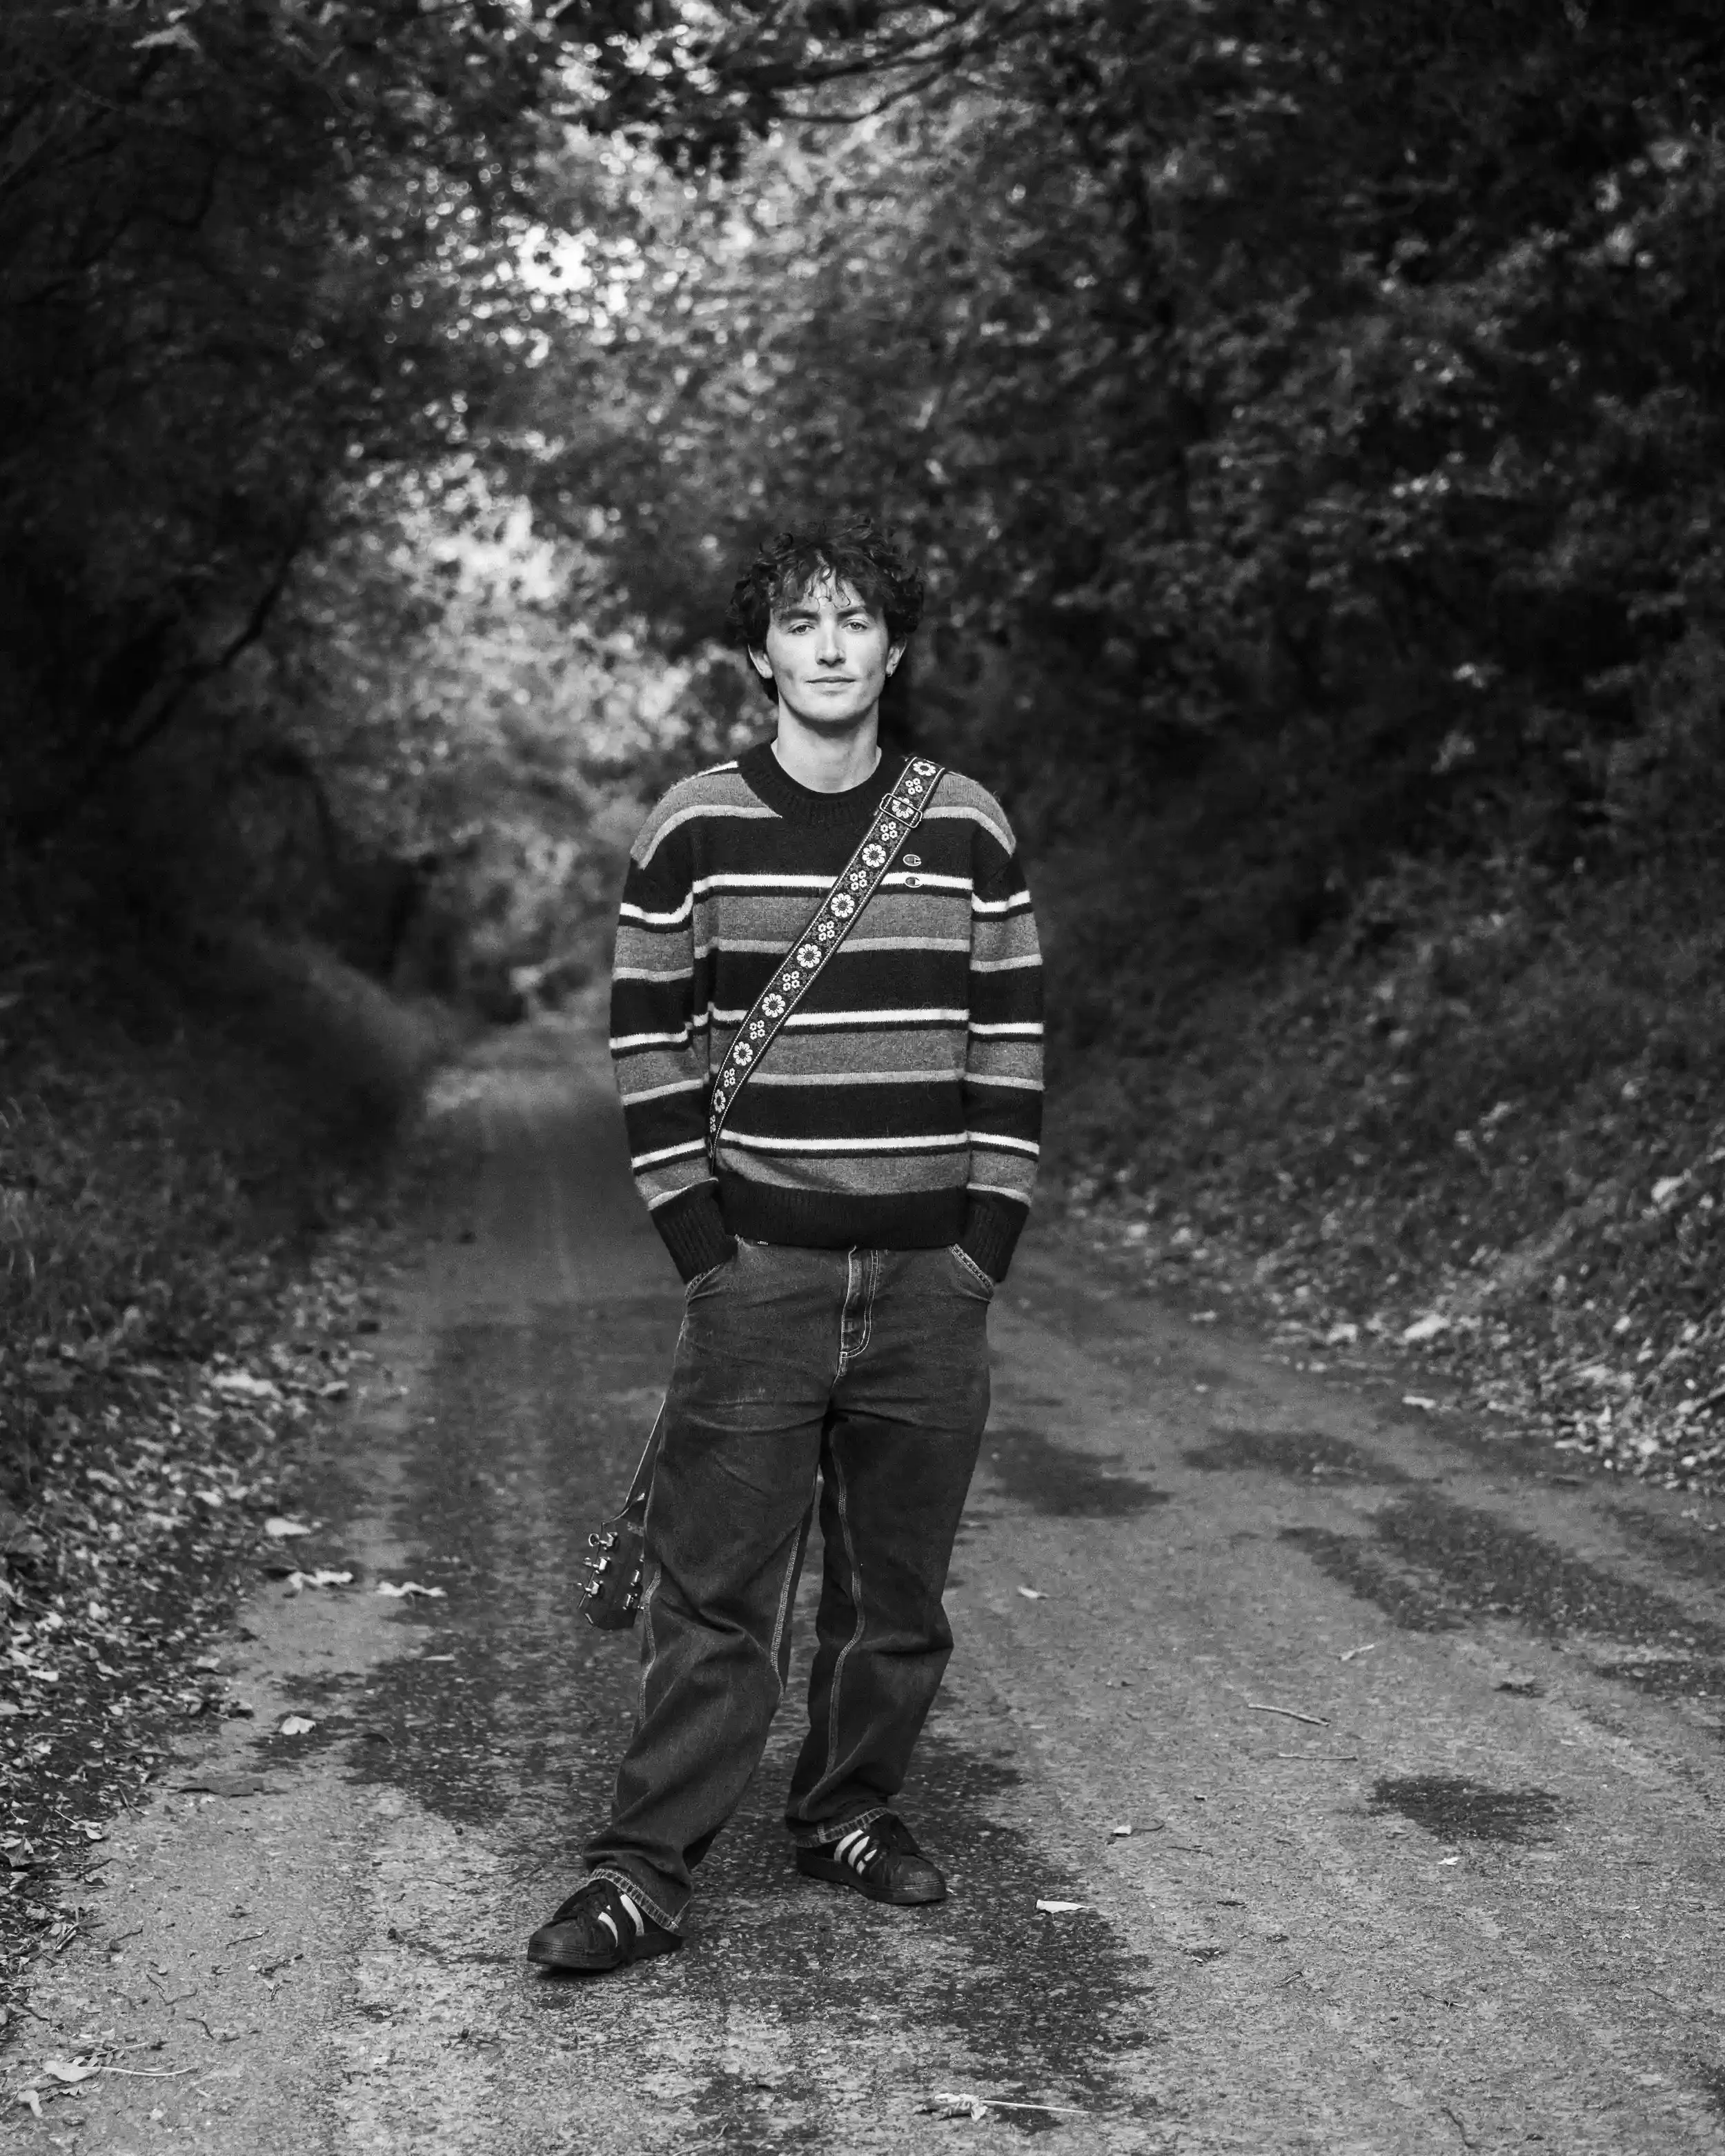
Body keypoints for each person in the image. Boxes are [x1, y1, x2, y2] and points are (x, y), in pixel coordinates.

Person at [528, 517, 1043, 1975]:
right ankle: (642, 1870)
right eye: (801, 624)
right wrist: (705, 1243)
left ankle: (848, 1811)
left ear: (894, 646)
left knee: (897, 1591)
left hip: (927, 1285)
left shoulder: (965, 823)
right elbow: (644, 1038)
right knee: (714, 1595)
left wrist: (980, 1242)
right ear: (760, 655)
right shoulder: (693, 822)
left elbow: (1005, 1036)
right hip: (759, 1272)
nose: (829, 646)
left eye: (856, 619)